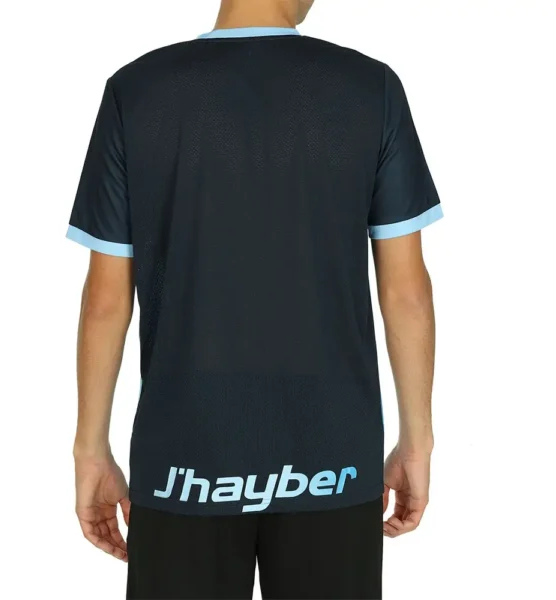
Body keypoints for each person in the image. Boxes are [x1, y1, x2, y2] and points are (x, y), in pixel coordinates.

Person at [68, 0, 442, 597]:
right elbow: (405, 292)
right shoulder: (370, 89)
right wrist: (417, 439)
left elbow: (106, 301)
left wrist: (91, 449)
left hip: (183, 461)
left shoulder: (135, 92)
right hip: (332, 459)